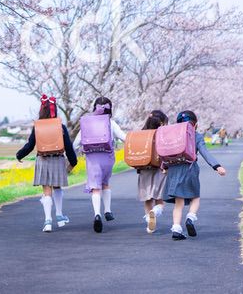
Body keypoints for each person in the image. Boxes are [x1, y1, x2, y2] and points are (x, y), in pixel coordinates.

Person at [16, 94, 78, 232]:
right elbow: (68, 146)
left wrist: (19, 155)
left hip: (43, 159)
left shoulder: (37, 126)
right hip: (58, 159)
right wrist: (73, 162)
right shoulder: (60, 126)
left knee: (46, 191)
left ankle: (48, 221)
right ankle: (60, 216)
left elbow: (30, 145)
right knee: (57, 187)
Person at [163, 110, 227, 240]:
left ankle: (176, 229)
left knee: (179, 202)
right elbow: (204, 152)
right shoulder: (196, 136)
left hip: (174, 169)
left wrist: (164, 167)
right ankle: (190, 217)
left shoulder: (172, 136)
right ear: (195, 124)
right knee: (195, 197)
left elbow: (165, 152)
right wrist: (217, 166)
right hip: (190, 169)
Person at [73, 96, 127, 233]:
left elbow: (76, 143)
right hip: (107, 157)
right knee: (105, 183)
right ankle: (107, 210)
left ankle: (97, 214)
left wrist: (72, 154)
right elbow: (124, 137)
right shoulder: (111, 122)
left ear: (95, 108)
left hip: (92, 158)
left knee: (95, 187)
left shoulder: (87, 123)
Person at [137, 110, 168, 233]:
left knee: (148, 199)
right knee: (160, 200)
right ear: (161, 123)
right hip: (160, 170)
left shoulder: (141, 134)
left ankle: (150, 222)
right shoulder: (162, 135)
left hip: (144, 170)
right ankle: (155, 211)